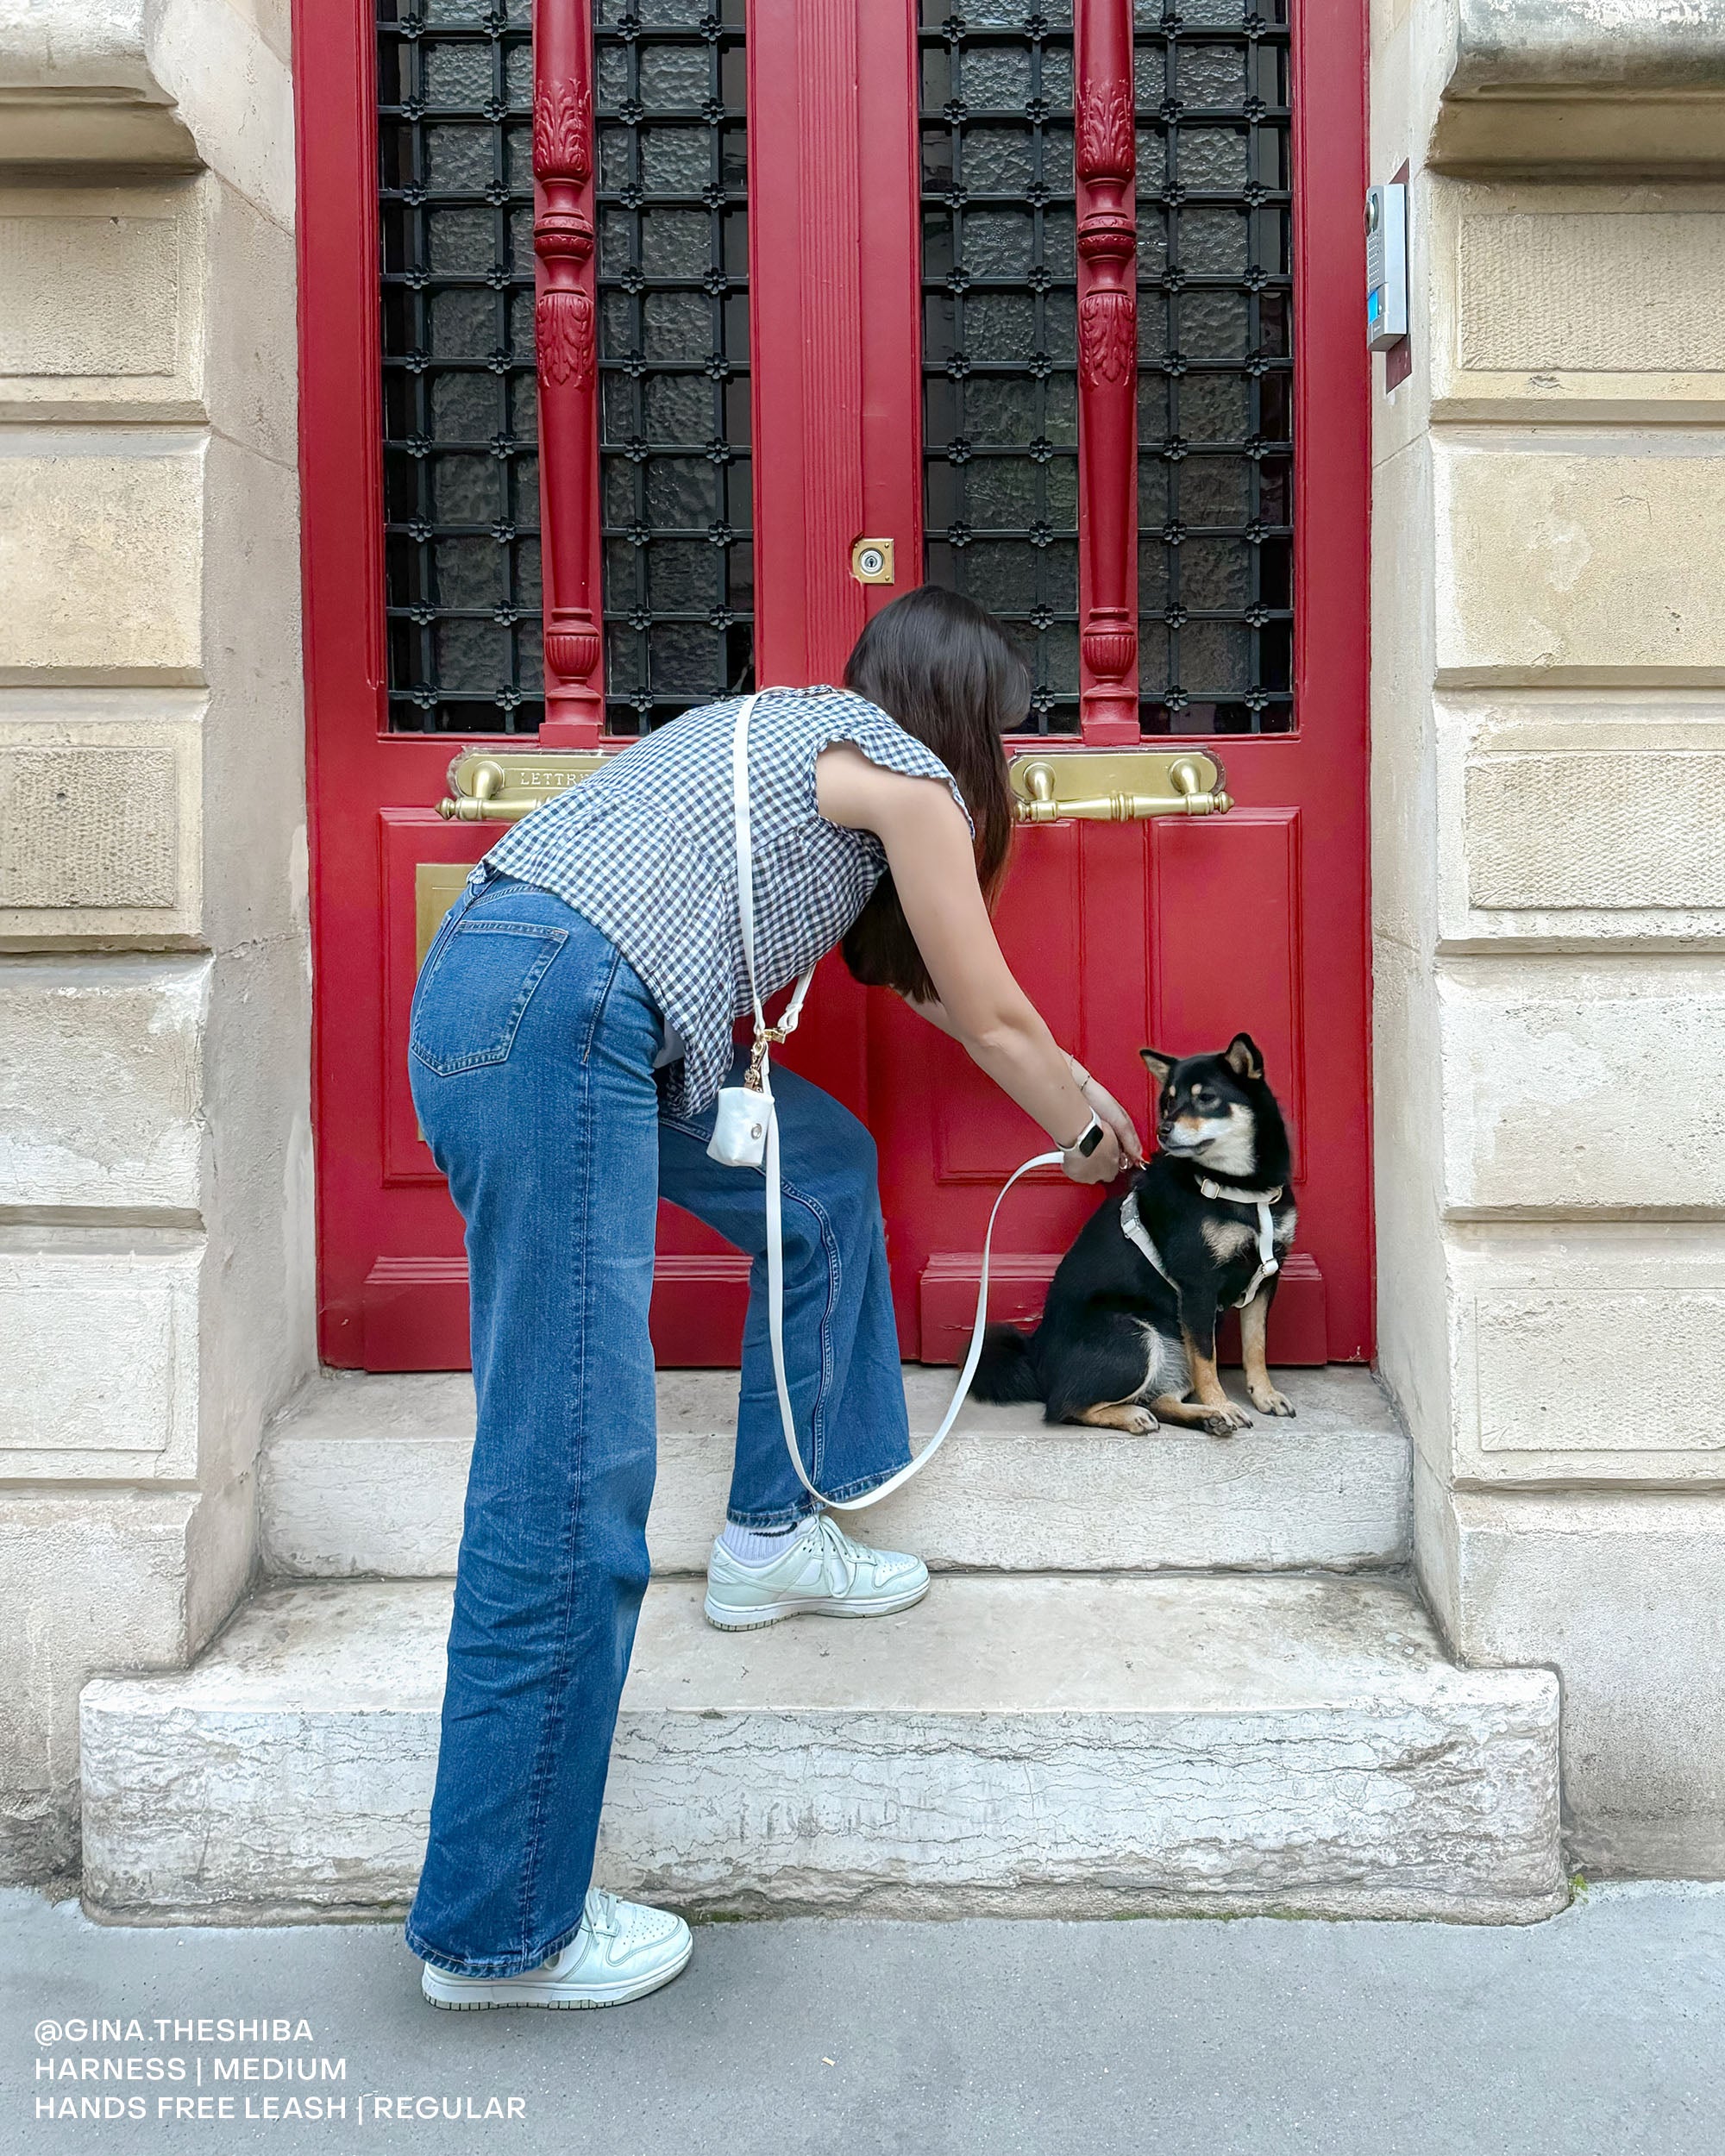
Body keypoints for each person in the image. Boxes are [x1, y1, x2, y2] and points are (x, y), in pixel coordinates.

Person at [405, 586, 1145, 2010]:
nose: (1014, 766)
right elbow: (990, 1013)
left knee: (819, 1176)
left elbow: (929, 984)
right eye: (1008, 733)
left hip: (508, 985)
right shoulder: (913, 783)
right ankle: (503, 1931)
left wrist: (1060, 1080)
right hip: (574, 1014)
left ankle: (771, 1534)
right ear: (958, 718)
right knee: (567, 1476)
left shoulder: (776, 737)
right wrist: (1091, 1124)